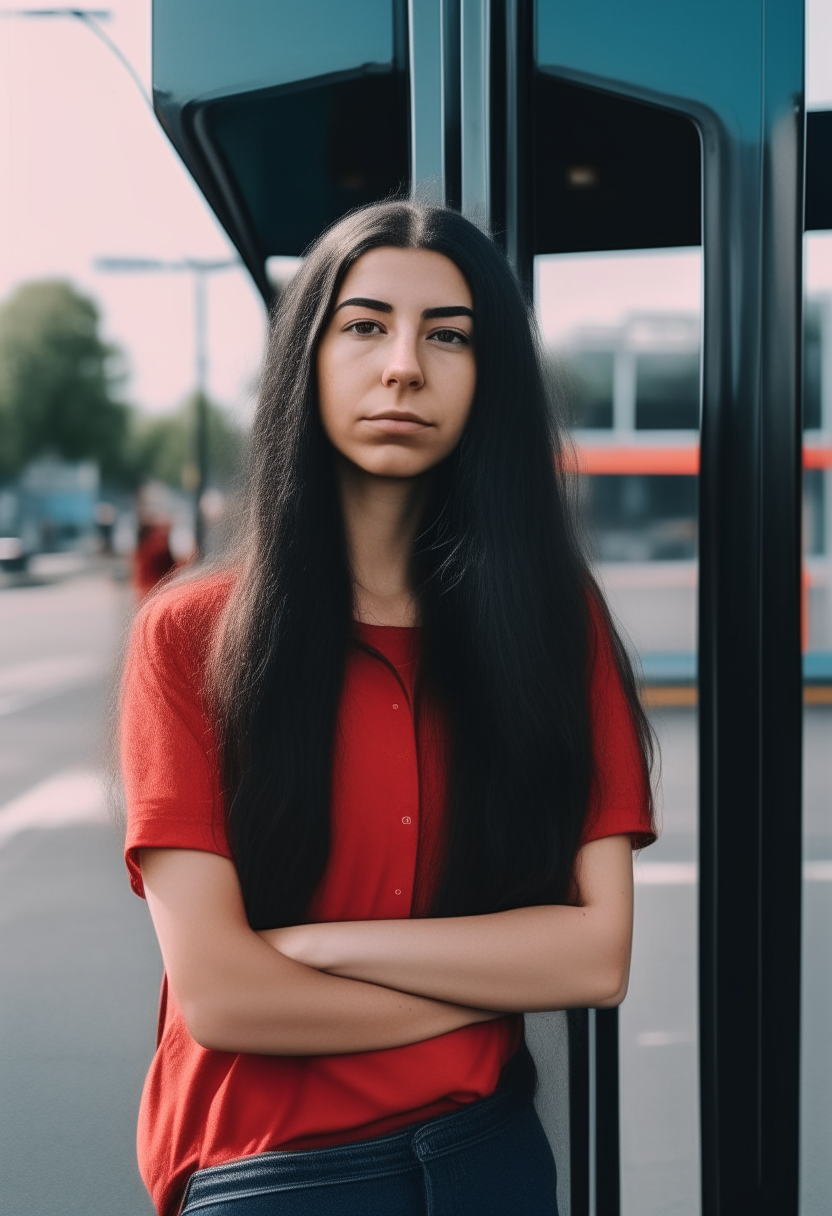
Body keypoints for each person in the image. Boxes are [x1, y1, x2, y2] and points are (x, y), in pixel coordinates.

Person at [120, 200, 656, 1216]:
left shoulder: (550, 624)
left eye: (447, 335)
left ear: (485, 377)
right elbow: (226, 996)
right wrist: (493, 973)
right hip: (273, 1169)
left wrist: (320, 943)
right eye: (364, 325)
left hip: (488, 1157)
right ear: (305, 359)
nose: (404, 364)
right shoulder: (191, 635)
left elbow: (595, 957)